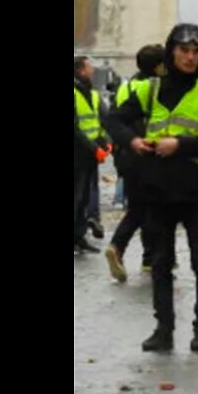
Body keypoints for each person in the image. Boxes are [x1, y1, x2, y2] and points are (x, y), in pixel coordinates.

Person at [107, 24, 198, 352]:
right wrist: (131, 140)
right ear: (170, 51)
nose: (190, 58)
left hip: (196, 190)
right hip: (157, 189)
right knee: (160, 262)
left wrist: (181, 144)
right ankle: (163, 328)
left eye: (196, 52)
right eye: (184, 50)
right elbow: (113, 119)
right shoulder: (150, 89)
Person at [103, 44, 164, 281]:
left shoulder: (125, 87)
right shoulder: (154, 88)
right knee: (151, 208)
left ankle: (144, 256)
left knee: (140, 206)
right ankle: (141, 253)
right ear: (158, 67)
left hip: (126, 157)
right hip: (148, 155)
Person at [75, 56, 111, 255]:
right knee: (76, 196)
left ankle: (79, 236)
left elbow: (97, 123)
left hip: (89, 154)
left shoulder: (93, 94)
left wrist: (106, 143)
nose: (92, 71)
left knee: (84, 197)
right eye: (89, 68)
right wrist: (95, 148)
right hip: (77, 153)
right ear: (81, 70)